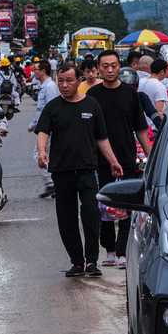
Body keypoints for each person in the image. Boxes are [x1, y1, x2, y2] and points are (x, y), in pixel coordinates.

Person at [36, 63, 124, 277]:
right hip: (61, 171)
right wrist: (41, 151)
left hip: (87, 171)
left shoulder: (92, 105)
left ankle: (92, 262)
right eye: (61, 81)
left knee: (91, 216)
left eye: (69, 81)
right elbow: (42, 131)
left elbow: (101, 138)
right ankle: (76, 262)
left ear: (78, 81)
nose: (64, 85)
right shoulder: (53, 107)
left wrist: (113, 161)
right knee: (66, 219)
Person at [87, 50, 149, 266]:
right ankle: (110, 250)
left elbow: (141, 128)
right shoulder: (92, 95)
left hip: (127, 157)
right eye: (105, 66)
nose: (110, 70)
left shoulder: (130, 94)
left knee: (127, 205)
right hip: (100, 160)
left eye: (114, 65)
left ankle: (123, 251)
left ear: (119, 66)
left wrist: (150, 155)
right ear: (98, 68)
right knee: (104, 205)